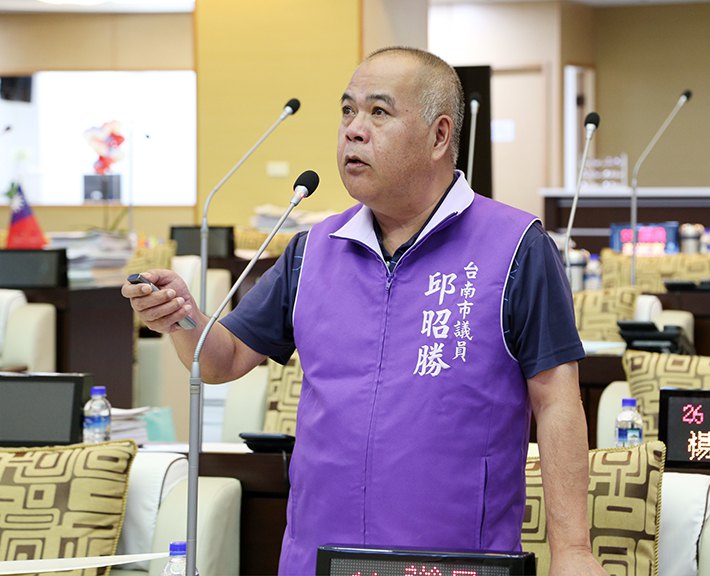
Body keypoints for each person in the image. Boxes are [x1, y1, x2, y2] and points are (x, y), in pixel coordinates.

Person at [123, 46, 607, 576]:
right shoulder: (313, 249)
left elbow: (557, 401)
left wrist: (573, 550)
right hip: (318, 556)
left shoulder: (516, 246)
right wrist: (183, 317)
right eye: (347, 110)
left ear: (439, 136)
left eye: (378, 112)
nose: (354, 130)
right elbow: (224, 358)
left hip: (455, 559)